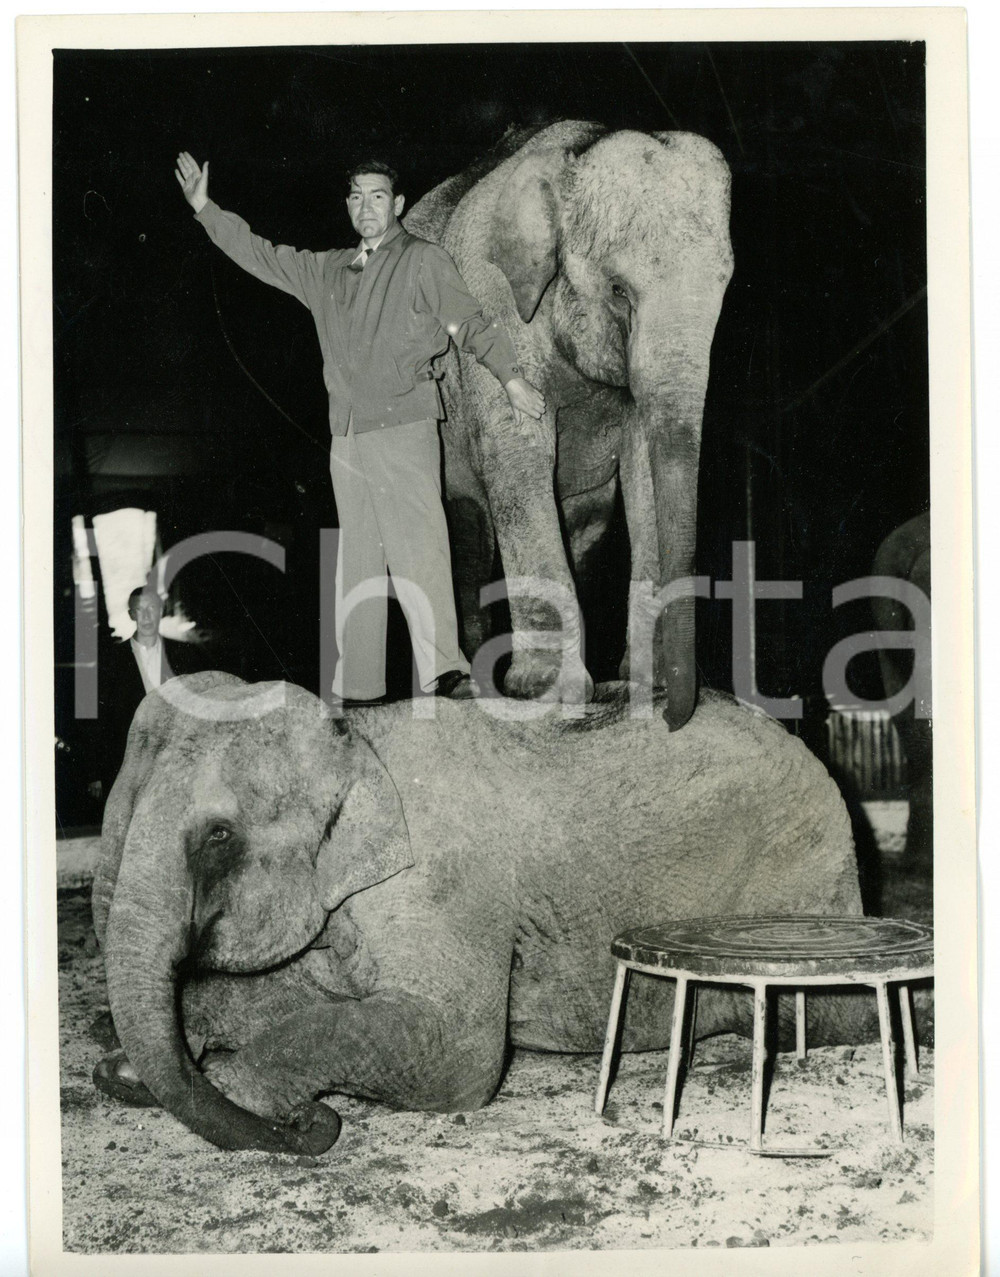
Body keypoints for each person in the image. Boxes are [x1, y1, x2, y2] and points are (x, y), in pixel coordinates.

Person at [175, 151, 545, 703]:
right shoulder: (328, 271)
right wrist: (205, 208)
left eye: (376, 195)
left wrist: (512, 380)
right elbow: (261, 254)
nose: (364, 206)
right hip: (345, 437)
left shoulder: (422, 260)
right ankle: (358, 684)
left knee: (419, 549)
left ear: (396, 205)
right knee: (359, 564)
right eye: (355, 196)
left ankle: (445, 668)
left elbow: (466, 322)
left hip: (403, 426)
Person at [89, 587, 203, 801]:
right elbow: (99, 720)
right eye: (140, 610)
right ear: (132, 615)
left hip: (178, 762)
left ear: (161, 610)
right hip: (129, 768)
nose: (147, 616)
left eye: (152, 608)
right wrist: (95, 773)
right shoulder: (110, 662)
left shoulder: (186, 654)